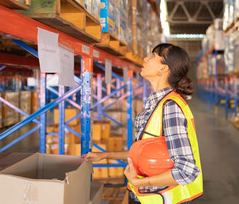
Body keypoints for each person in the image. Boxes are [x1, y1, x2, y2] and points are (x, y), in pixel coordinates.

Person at [83, 43, 203, 204]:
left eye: (153, 56)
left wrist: (140, 182)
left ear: (163, 69)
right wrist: (105, 155)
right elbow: (143, 152)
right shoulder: (157, 103)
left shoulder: (170, 107)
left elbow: (187, 170)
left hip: (160, 197)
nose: (146, 58)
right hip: (145, 195)